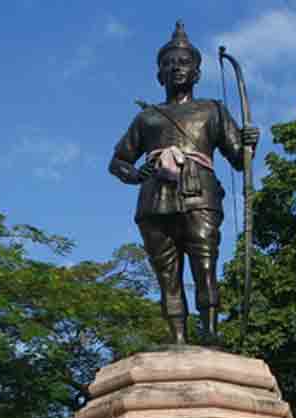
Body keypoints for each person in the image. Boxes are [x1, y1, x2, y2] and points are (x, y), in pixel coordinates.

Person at [109, 21, 259, 344]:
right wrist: (135, 174)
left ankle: (210, 332)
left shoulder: (213, 110)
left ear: (197, 73)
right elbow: (118, 161)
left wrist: (249, 142)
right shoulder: (147, 117)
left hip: (200, 194)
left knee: (205, 264)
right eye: (168, 63)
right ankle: (178, 338)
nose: (176, 67)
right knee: (167, 273)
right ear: (159, 74)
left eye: (183, 62)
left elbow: (238, 159)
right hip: (155, 199)